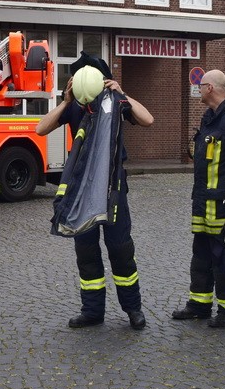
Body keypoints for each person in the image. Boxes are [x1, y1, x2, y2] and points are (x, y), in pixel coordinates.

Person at [35, 55, 154, 330]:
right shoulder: (75, 106)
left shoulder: (114, 103)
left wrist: (122, 92)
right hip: (81, 190)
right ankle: (92, 311)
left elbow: (148, 119)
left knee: (121, 249)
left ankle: (133, 309)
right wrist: (65, 100)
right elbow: (41, 129)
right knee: (86, 252)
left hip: (113, 187)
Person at [171, 70, 225, 327]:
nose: (197, 90)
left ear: (210, 88)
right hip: (204, 203)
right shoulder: (210, 117)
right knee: (202, 256)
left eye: (200, 86)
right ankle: (199, 305)